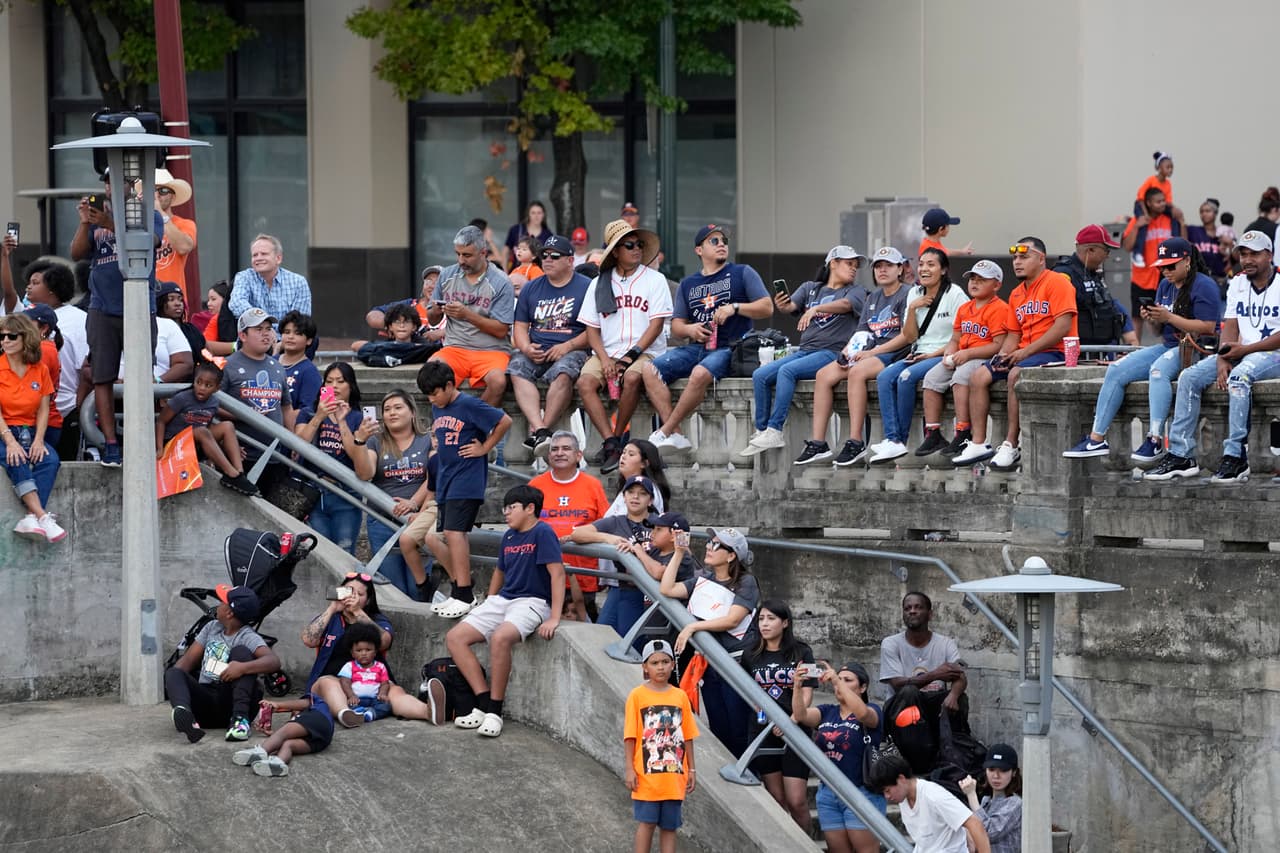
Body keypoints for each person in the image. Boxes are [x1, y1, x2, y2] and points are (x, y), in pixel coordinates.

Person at [1064, 237, 1220, 463]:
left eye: (1170, 266)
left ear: (1186, 261)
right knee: (1117, 368)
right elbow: (1158, 331)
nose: (1165, 271)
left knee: (1158, 371)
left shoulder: (1203, 284)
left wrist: (1168, 316)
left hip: (1194, 350)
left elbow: (1208, 328)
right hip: (1169, 345)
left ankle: (1155, 439)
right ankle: (1096, 439)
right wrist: (1152, 319)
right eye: (1161, 266)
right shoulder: (1166, 285)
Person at [1147, 231, 1280, 483]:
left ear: (1269, 255)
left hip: (1272, 354)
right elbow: (1229, 324)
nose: (1247, 259)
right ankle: (1181, 454)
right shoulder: (1238, 282)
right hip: (1242, 351)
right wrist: (1222, 357)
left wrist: (1243, 352)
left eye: (1254, 254)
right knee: (1189, 377)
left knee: (1239, 378)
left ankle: (1236, 456)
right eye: (1243, 253)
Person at [447, 483, 564, 738]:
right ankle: (482, 700)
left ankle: (495, 711)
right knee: (455, 637)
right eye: (505, 508)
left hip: (533, 602)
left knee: (501, 638)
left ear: (530, 508)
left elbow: (557, 575)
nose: (506, 513)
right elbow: (500, 572)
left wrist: (555, 617)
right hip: (503, 600)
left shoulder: (543, 533)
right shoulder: (509, 536)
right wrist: (490, 601)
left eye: (512, 507)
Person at [645, 224, 772, 454]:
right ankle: (677, 435)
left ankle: (665, 431)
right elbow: (676, 326)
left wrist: (735, 307)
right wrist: (691, 329)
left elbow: (767, 307)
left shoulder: (742, 272)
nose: (721, 244)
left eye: (723, 240)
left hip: (730, 348)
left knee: (700, 373)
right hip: (696, 347)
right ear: (699, 250)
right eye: (714, 241)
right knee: (649, 370)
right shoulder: (688, 283)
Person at [952, 237, 1077, 469]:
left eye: (1024, 256)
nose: (1017, 262)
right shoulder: (1017, 293)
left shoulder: (1057, 283)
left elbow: (1062, 327)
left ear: (1041, 259)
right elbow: (1013, 334)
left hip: (1055, 352)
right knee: (979, 376)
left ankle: (1010, 444)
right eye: (1015, 257)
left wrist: (1023, 353)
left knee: (1014, 375)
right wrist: (1003, 355)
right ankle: (979, 443)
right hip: (1025, 353)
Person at [71, 175, 165, 467]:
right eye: (107, 182)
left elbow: (151, 242)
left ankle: (143, 437)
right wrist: (87, 222)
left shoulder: (148, 213)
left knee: (141, 374)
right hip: (101, 306)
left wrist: (112, 224)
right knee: (102, 376)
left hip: (139, 304)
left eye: (119, 180)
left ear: (132, 184)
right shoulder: (96, 219)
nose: (111, 187)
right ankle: (111, 443)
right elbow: (76, 254)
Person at [740, 246, 866, 458]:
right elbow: (791, 307)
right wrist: (783, 305)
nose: (854, 269)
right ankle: (762, 431)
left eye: (856, 265)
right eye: (849, 263)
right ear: (833, 263)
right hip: (806, 351)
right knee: (760, 375)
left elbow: (846, 305)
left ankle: (775, 429)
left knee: (787, 371)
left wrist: (816, 309)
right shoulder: (811, 288)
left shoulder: (856, 291)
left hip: (831, 352)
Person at [417, 360, 512, 617]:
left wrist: (484, 447)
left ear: (449, 385)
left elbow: (504, 421)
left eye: (435, 393)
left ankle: (465, 593)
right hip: (447, 478)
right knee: (448, 534)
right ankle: (459, 590)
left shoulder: (469, 404)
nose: (432, 399)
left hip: (467, 479)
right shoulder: (438, 408)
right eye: (428, 394)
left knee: (454, 532)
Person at [577, 219, 672, 473]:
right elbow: (591, 328)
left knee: (631, 378)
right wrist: (605, 359)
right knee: (585, 383)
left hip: (645, 351)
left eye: (639, 244)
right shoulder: (599, 283)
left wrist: (632, 355)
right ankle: (610, 442)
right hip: (607, 350)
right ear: (615, 251)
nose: (636, 249)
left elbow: (656, 325)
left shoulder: (655, 279)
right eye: (629, 245)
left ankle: (617, 438)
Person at [798, 245, 907, 465]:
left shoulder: (908, 293)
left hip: (895, 353)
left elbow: (907, 336)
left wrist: (872, 352)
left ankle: (855, 441)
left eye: (888, 265)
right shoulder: (873, 297)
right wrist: (849, 350)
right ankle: (818, 443)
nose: (882, 270)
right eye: (878, 266)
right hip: (870, 351)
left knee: (856, 373)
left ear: (900, 269)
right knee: (824, 375)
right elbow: (862, 331)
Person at [660, 527, 760, 758]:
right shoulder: (703, 578)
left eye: (715, 545)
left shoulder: (746, 581)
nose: (708, 547)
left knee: (738, 728)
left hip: (737, 665)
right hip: (710, 665)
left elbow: (732, 619)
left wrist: (693, 627)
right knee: (719, 727)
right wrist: (678, 553)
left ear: (731, 555)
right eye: (709, 542)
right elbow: (667, 588)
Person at [301, 572, 446, 728]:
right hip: (332, 683)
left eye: (359, 594)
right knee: (328, 683)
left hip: (372, 683)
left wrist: (358, 612)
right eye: (349, 591)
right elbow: (309, 640)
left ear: (368, 599)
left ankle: (428, 711)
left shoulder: (377, 620)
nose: (353, 597)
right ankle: (346, 713)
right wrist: (332, 609)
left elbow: (384, 642)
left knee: (394, 692)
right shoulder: (331, 618)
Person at [866, 247, 968, 464]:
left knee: (905, 378)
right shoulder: (914, 293)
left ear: (943, 270)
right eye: (921, 264)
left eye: (931, 264)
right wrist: (912, 309)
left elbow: (963, 335)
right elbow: (910, 336)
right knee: (884, 376)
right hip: (918, 352)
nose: (924, 269)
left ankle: (899, 440)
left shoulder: (955, 294)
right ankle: (892, 439)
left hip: (941, 353)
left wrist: (933, 354)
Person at [915, 261, 1011, 457]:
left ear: (996, 285)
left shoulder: (1000, 308)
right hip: (962, 354)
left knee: (961, 377)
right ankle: (933, 433)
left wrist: (967, 354)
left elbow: (998, 345)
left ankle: (963, 431)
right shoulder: (965, 308)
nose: (974, 283)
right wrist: (949, 352)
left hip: (983, 356)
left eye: (982, 280)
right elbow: (955, 339)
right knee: (931, 378)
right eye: (973, 279)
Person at [164, 584, 281, 743]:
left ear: (229, 613)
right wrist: (178, 689)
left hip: (232, 702)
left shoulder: (246, 636)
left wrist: (242, 668)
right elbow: (186, 663)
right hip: (206, 707)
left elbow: (273, 661)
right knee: (173, 672)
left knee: (241, 652)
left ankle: (240, 722)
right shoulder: (211, 627)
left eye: (221, 602)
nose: (217, 604)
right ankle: (186, 717)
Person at [508, 235, 592, 454]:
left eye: (555, 256)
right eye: (544, 255)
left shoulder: (586, 287)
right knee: (516, 367)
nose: (547, 260)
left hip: (573, 348)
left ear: (570, 261)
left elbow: (595, 331)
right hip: (537, 349)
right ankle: (541, 429)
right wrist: (526, 347)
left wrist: (568, 346)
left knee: (565, 372)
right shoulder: (531, 288)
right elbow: (520, 326)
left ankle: (541, 431)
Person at [792, 660, 884, 853]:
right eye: (838, 680)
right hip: (828, 793)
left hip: (861, 791)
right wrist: (797, 686)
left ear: (863, 687)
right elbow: (800, 715)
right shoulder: (828, 711)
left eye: (847, 680)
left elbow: (862, 714)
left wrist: (835, 679)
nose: (839, 684)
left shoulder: (873, 710)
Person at [348, 389, 433, 600]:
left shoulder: (428, 439)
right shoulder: (376, 441)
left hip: (417, 518)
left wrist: (413, 503)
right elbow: (365, 473)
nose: (391, 413)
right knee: (393, 588)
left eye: (398, 407)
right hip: (382, 520)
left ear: (412, 412)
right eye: (387, 409)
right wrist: (359, 441)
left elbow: (435, 477)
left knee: (419, 587)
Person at [740, 599, 817, 829]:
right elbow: (749, 694)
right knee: (777, 799)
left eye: (771, 619)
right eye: (761, 619)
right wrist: (769, 719)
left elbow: (808, 692)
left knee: (797, 801)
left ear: (785, 623)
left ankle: (806, 846)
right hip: (763, 729)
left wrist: (791, 721)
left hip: (796, 729)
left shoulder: (803, 651)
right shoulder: (750, 655)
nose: (764, 624)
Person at [426, 225, 516, 407]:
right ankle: (449, 424)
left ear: (483, 253)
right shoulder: (447, 275)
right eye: (457, 254)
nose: (460, 260)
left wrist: (467, 315)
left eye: (467, 255)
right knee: (430, 374)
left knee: (498, 382)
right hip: (455, 348)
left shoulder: (501, 282)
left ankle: (472, 424)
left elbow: (501, 330)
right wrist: (435, 311)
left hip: (491, 350)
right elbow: (431, 319)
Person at [624, 638, 699, 853]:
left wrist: (691, 768)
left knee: (670, 827)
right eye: (654, 663)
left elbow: (688, 736)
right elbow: (630, 736)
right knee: (646, 824)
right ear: (645, 667)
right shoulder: (637, 695)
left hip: (674, 776)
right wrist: (630, 768)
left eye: (665, 662)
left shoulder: (680, 696)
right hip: (647, 776)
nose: (660, 667)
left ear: (673, 664)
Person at [529, 431, 611, 621]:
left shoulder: (593, 485)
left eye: (566, 448)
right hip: (544, 575)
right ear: (548, 456)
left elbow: (605, 525)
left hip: (584, 575)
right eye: (554, 449)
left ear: (578, 455)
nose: (559, 453)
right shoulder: (535, 485)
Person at [879, 591, 968, 765]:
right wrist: (936, 674)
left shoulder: (945, 643)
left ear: (930, 614)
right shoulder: (891, 643)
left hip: (933, 706)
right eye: (907, 608)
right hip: (901, 708)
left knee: (960, 697)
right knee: (909, 692)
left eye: (918, 607)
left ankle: (955, 754)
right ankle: (913, 757)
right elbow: (897, 684)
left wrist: (954, 695)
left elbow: (960, 677)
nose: (912, 611)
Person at [1, 313, 65, 543]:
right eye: (2, 337)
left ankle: (30, 517)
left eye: (11, 336)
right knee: (15, 458)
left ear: (25, 337)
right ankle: (42, 516)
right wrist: (10, 441)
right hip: (4, 430)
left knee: (49, 459)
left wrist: (39, 440)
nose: (5, 341)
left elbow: (43, 409)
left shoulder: (39, 368)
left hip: (28, 429)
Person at [570, 474, 661, 633]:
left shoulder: (661, 522)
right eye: (631, 492)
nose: (635, 497)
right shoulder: (614, 521)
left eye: (642, 493)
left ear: (651, 500)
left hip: (653, 589)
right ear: (623, 497)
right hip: (623, 586)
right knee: (602, 636)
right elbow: (577, 534)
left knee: (636, 642)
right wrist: (607, 538)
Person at [219, 307, 297, 488]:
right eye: (258, 329)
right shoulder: (226, 365)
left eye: (268, 329)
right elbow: (212, 405)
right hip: (241, 455)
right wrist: (240, 417)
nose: (266, 335)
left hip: (275, 455)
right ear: (243, 336)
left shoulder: (277, 366)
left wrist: (293, 442)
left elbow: (286, 407)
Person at [16, 258, 87, 458]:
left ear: (53, 288)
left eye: (36, 282)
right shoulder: (23, 317)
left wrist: (79, 409)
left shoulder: (79, 319)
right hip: (26, 413)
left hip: (66, 409)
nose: (29, 287)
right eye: (29, 282)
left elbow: (86, 368)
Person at [295, 362, 367, 555]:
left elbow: (356, 454)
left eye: (340, 381)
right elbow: (298, 445)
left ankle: (344, 587)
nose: (334, 386)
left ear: (350, 386)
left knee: (344, 552)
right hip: (312, 491)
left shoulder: (359, 419)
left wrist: (342, 421)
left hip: (345, 494)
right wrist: (319, 416)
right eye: (329, 381)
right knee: (320, 552)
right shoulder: (308, 413)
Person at [155, 361, 257, 495]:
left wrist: (230, 446)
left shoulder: (214, 403)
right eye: (199, 382)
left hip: (195, 446)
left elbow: (209, 428)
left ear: (217, 388)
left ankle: (239, 473)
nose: (202, 388)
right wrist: (160, 448)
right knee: (202, 431)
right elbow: (161, 422)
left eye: (208, 385)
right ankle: (231, 474)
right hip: (174, 445)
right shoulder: (182, 398)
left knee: (227, 426)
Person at [868, 753, 992, 853]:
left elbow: (974, 823)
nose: (887, 796)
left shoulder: (933, 795)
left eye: (888, 790)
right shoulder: (903, 798)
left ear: (901, 779)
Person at [1052, 224, 1128, 348]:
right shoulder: (1064, 274)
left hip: (1099, 350)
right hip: (1077, 353)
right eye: (1106, 250)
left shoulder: (1092, 273)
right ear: (1090, 250)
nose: (1108, 256)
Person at [1123, 187, 1181, 338]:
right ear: (1148, 203)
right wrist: (1137, 226)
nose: (1162, 204)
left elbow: (1183, 243)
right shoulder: (1138, 220)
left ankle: (1166, 346)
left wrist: (1181, 221)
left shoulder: (1170, 220)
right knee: (1137, 316)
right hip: (1141, 278)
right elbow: (1127, 247)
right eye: (1158, 201)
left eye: (1164, 201)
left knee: (1166, 314)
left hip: (1166, 277)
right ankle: (1134, 348)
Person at [232, 691, 334, 778]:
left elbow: (302, 704)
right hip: (324, 738)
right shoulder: (310, 724)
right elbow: (286, 735)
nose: (294, 717)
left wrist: (278, 705)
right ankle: (278, 762)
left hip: (319, 718)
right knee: (288, 745)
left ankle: (261, 751)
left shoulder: (317, 704)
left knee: (284, 732)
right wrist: (274, 735)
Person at [228, 234, 312, 331]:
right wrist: (264, 325)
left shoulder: (298, 282)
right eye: (255, 255)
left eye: (264, 254)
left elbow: (300, 321)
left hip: (286, 339)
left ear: (278, 258)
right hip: (255, 338)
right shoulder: (244, 277)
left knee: (312, 340)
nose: (258, 258)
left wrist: (279, 341)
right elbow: (236, 303)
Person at [960, 743, 1023, 853]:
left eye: (1003, 770)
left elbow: (988, 832)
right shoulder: (986, 801)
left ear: (1014, 772)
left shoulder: (1015, 804)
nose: (996, 776)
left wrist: (971, 796)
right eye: (992, 769)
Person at [335, 621, 394, 723]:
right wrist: (351, 695)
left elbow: (385, 683)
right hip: (356, 699)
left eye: (368, 650)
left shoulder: (380, 666)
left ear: (375, 652)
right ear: (352, 653)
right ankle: (357, 713)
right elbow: (345, 682)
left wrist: (382, 694)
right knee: (346, 704)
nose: (364, 653)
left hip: (375, 699)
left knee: (386, 707)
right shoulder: (350, 666)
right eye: (359, 650)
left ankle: (369, 714)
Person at [23, 304, 64, 449]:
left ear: (44, 328)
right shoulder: (41, 347)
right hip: (37, 423)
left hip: (41, 426)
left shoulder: (43, 350)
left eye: (27, 323)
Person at [364, 264, 445, 336]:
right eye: (429, 281)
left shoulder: (452, 308)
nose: (432, 286)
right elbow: (372, 316)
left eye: (438, 282)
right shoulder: (409, 305)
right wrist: (394, 327)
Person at [153, 168, 197, 293]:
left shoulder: (185, 224)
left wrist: (160, 213)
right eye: (153, 191)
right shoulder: (140, 225)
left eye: (163, 191)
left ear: (172, 196)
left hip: (171, 298)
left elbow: (184, 247)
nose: (157, 196)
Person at [277, 311, 321, 414]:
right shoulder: (270, 362)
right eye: (286, 332)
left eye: (297, 333)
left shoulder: (309, 371)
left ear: (309, 340)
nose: (290, 337)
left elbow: (307, 410)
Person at [156, 281, 208, 364]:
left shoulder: (191, 330)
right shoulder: (156, 331)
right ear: (160, 303)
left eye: (180, 299)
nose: (178, 304)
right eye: (171, 299)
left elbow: (205, 351)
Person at [1186, 199, 1229, 285]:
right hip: (1198, 278)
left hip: (1219, 280)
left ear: (1215, 213)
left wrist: (1229, 246)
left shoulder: (1223, 233)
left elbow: (1232, 258)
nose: (1204, 214)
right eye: (1201, 212)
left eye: (1207, 211)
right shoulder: (1193, 230)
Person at [504, 200, 549, 271]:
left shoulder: (548, 235)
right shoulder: (516, 230)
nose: (536, 216)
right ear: (528, 214)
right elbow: (505, 253)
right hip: (516, 272)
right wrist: (505, 272)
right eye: (533, 213)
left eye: (539, 213)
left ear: (543, 215)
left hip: (538, 274)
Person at [202, 280, 236, 358]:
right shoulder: (214, 319)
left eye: (213, 299)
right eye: (209, 300)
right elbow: (204, 347)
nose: (208, 303)